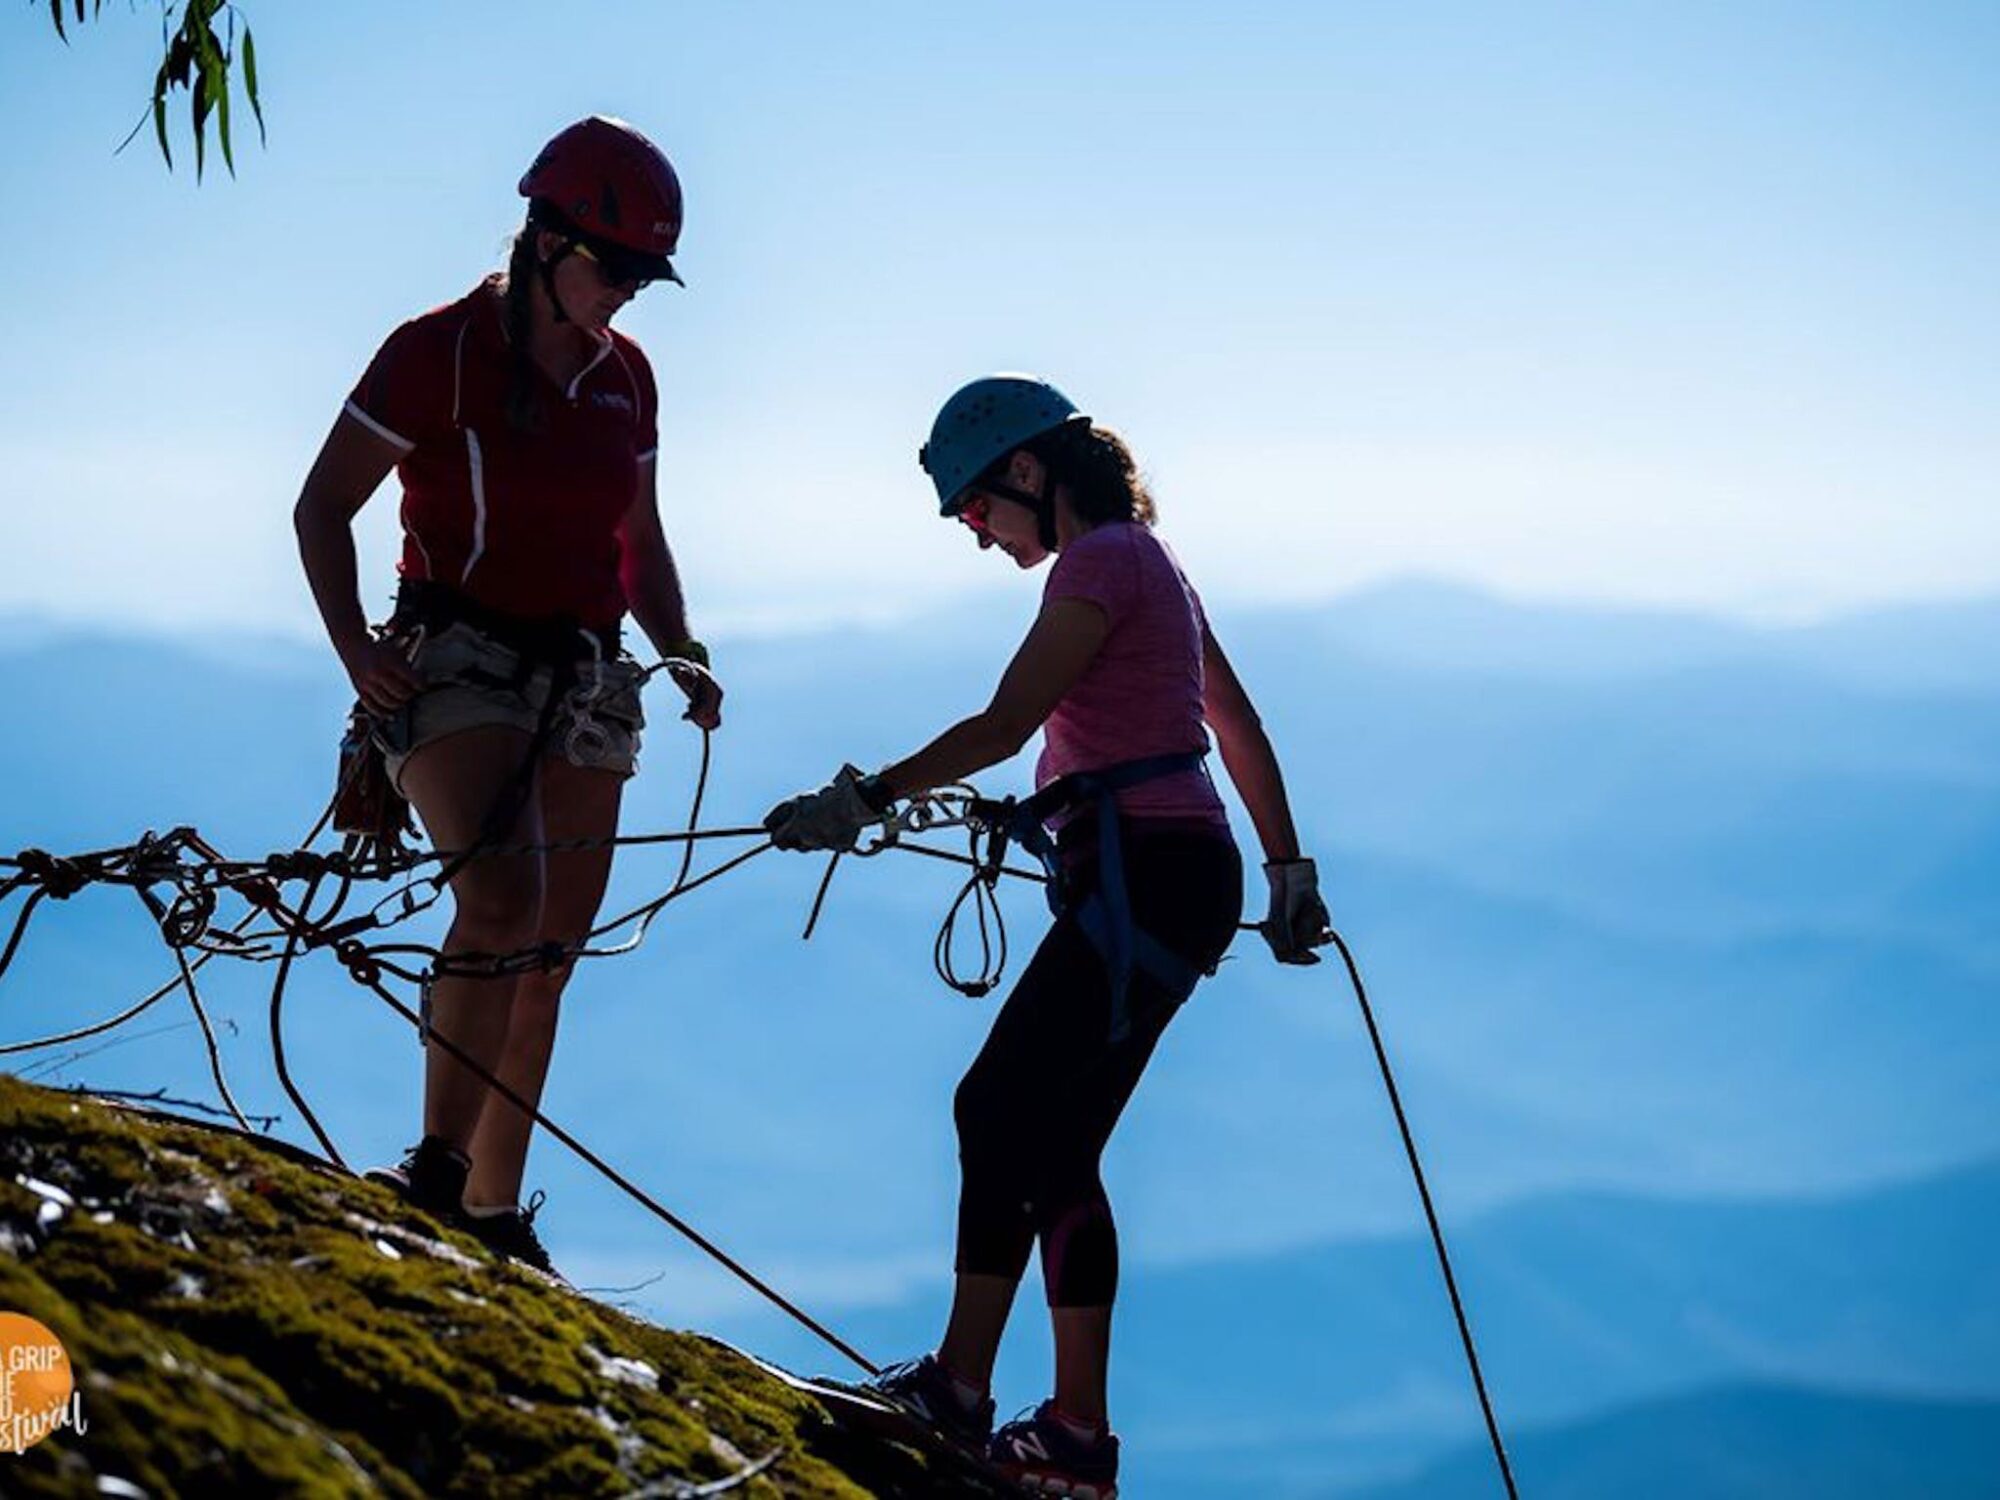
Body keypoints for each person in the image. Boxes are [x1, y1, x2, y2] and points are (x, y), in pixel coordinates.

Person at [763, 375, 1329, 1497]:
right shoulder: (1149, 561)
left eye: (974, 508)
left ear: (1026, 472)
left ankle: (981, 1400)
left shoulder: (1099, 563)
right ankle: (1037, 1422)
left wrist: (864, 796)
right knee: (1047, 1135)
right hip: (1167, 874)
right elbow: (1235, 724)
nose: (976, 537)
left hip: (1143, 875)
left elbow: (1003, 722)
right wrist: (1286, 866)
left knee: (1004, 1112)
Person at [294, 116, 722, 1276]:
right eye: (614, 266)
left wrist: (678, 646)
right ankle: (432, 1173)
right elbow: (321, 506)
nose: (629, 293)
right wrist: (354, 654)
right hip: (454, 657)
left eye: (643, 275)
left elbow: (634, 536)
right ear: (543, 238)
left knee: (550, 952)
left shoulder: (626, 380)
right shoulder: (432, 352)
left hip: (582, 671)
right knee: (499, 902)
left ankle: (490, 1213)